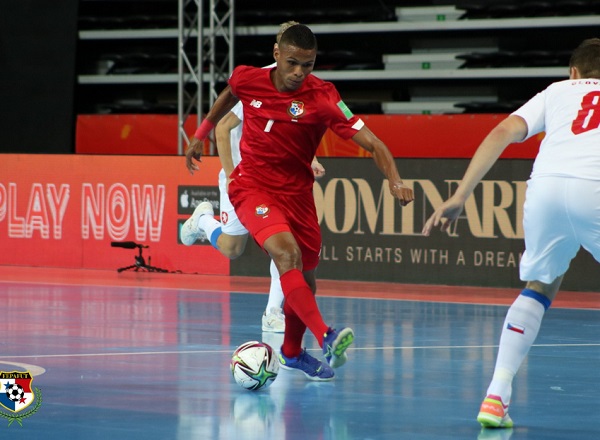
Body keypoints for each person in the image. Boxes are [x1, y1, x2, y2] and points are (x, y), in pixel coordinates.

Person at [185, 24, 414, 381]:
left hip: (298, 195)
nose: (299, 73)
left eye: (307, 65)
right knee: (285, 255)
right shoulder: (249, 78)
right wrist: (201, 134)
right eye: (292, 63)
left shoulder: (323, 97)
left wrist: (395, 179)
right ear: (276, 55)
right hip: (252, 187)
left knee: (307, 282)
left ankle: (291, 352)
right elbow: (229, 95)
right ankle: (327, 335)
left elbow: (372, 142)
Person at [422, 38, 600, 428]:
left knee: (541, 284)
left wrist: (460, 194)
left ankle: (496, 394)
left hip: (546, 188)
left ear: (574, 73)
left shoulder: (556, 92)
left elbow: (502, 131)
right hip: (596, 186)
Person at [180, 22, 317, 334]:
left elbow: (295, 129)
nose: (297, 68)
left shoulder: (302, 83)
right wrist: (232, 177)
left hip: (278, 182)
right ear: (279, 50)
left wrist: (312, 158)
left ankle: (272, 312)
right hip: (245, 178)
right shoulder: (262, 81)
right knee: (232, 248)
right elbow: (225, 126)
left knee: (284, 245)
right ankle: (203, 220)